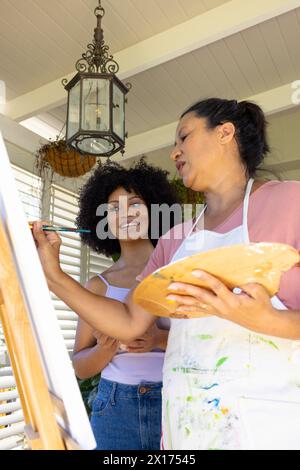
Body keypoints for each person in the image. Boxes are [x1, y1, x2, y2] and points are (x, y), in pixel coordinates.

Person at [32, 98, 300, 450]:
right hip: (184, 429)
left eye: (183, 137)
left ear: (225, 133)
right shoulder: (176, 239)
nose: (174, 152)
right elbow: (129, 320)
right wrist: (54, 276)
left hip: (267, 429)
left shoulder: (291, 202)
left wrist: (266, 320)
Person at [72, 160, 179, 450]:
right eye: (113, 208)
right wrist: (105, 348)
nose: (125, 214)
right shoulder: (98, 286)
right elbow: (80, 366)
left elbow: (205, 340)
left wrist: (158, 339)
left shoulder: (180, 268)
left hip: (175, 401)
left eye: (134, 203)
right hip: (114, 408)